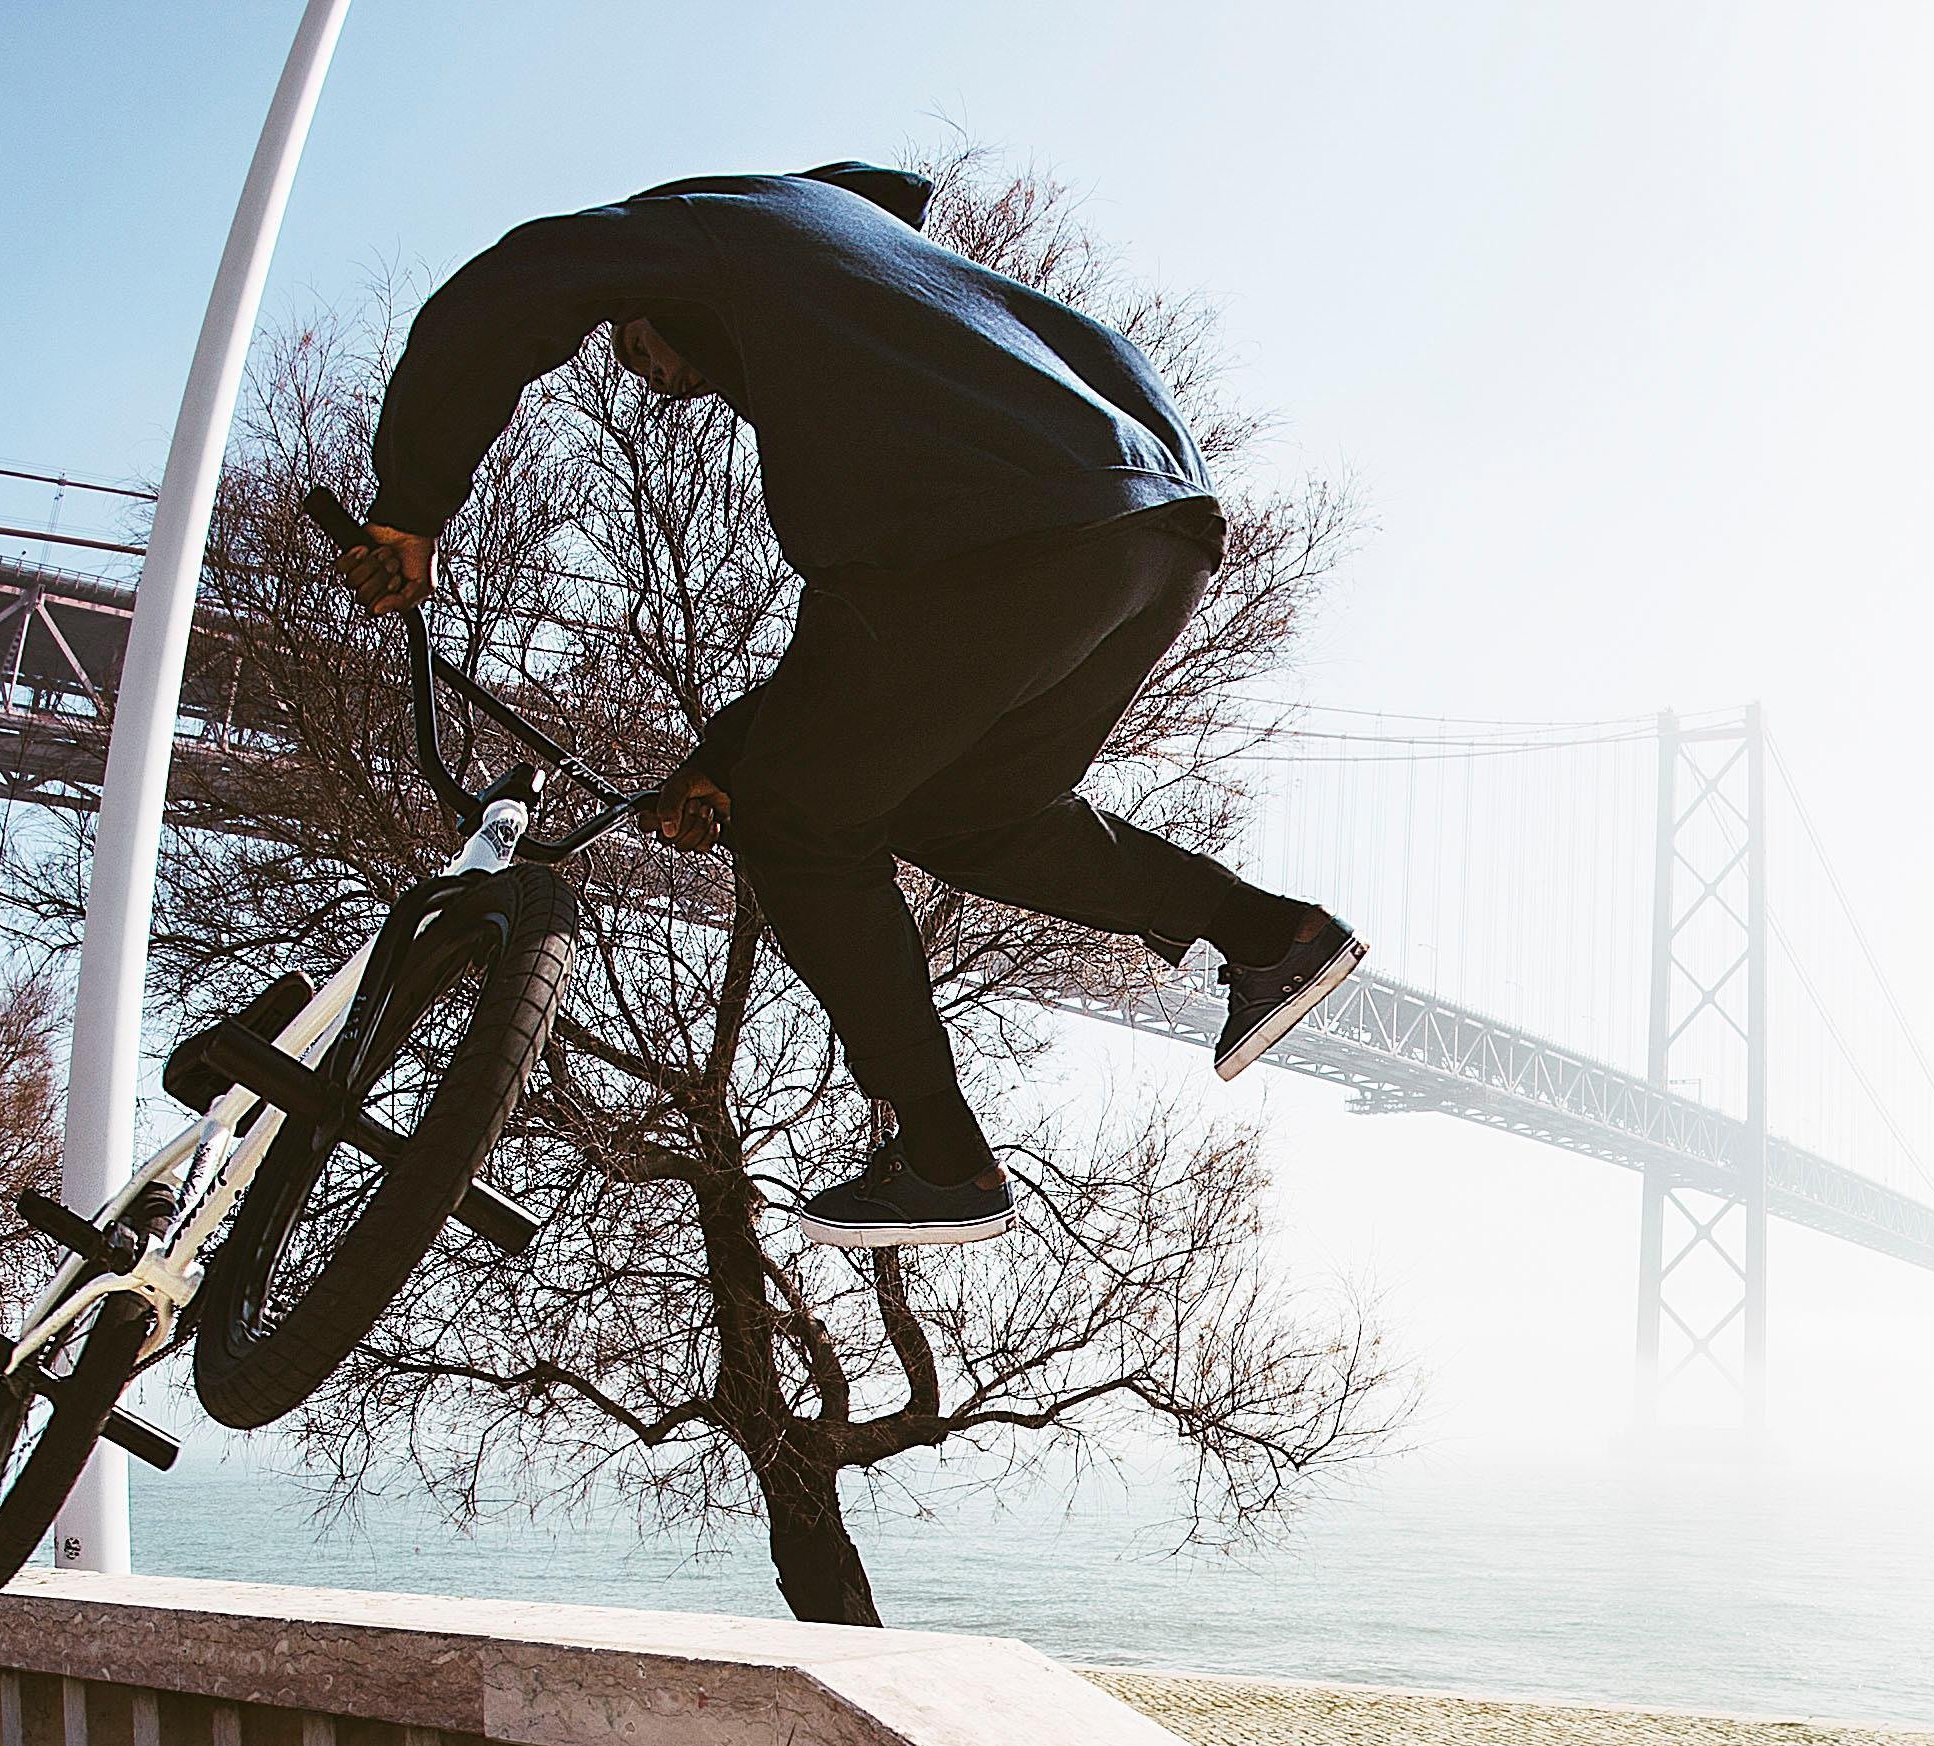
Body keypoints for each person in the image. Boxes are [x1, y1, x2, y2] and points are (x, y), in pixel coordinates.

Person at [341, 164, 1367, 1250]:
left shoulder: (718, 226)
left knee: (799, 824)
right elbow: (868, 651)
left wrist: (411, 504)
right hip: (1149, 533)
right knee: (961, 809)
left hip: (1009, 536)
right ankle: (1270, 932)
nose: (654, 379)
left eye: (637, 347)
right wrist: (725, 758)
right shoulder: (880, 323)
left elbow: (514, 281)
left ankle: (941, 1155)